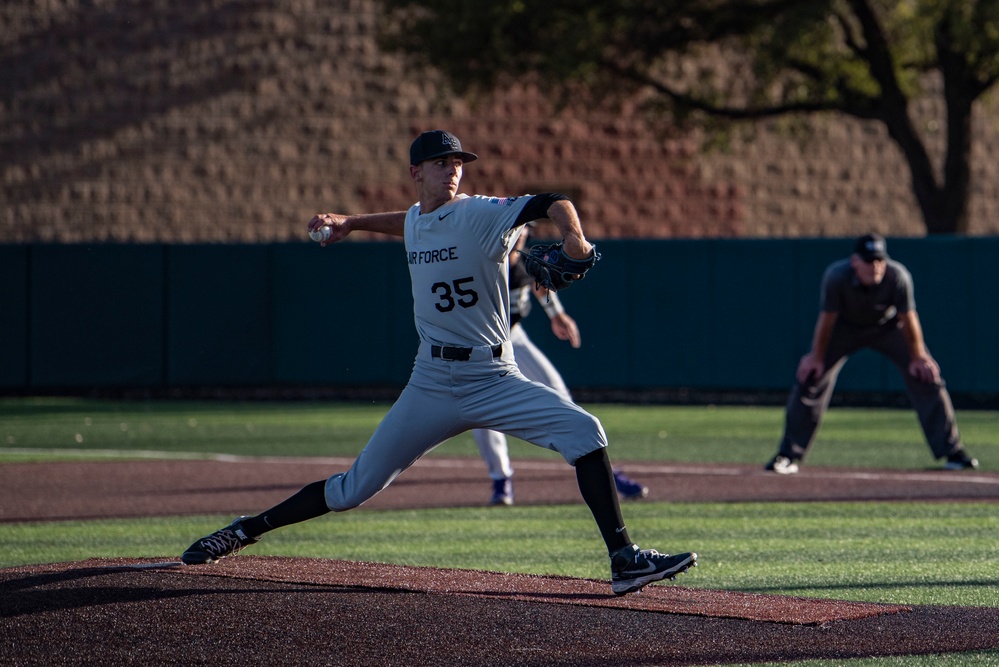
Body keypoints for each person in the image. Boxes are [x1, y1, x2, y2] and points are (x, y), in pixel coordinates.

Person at [181, 130, 696, 595]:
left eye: (458, 162)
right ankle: (245, 529)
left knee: (586, 432)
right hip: (431, 381)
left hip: (494, 376)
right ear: (416, 172)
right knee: (352, 488)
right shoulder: (416, 221)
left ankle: (624, 560)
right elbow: (405, 224)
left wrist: (574, 238)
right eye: (440, 162)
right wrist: (352, 223)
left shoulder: (477, 212)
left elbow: (550, 201)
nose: (452, 169)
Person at [765, 233, 978, 474]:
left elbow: (908, 318)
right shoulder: (837, 277)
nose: (874, 267)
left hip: (886, 328)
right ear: (855, 262)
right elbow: (826, 319)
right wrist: (816, 356)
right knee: (811, 376)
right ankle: (787, 454)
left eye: (879, 261)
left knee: (926, 376)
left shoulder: (898, 277)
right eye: (868, 261)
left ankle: (953, 452)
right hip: (844, 328)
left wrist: (918, 356)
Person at [474, 225, 649, 505]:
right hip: (481, 343)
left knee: (560, 395)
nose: (517, 236)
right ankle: (500, 480)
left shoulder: (527, 260)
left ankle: (604, 471)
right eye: (511, 230)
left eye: (521, 231)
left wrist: (558, 315)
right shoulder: (480, 262)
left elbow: (542, 285)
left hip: (514, 337)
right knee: (480, 413)